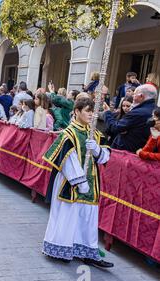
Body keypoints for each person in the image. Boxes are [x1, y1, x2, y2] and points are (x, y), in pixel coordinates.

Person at [42, 97, 113, 268]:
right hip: (71, 182)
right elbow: (67, 161)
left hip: (92, 183)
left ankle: (88, 253)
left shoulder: (96, 134)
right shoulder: (68, 134)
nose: (91, 114)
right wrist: (80, 181)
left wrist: (96, 149)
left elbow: (105, 158)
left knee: (87, 218)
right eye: (88, 111)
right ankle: (62, 249)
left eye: (93, 111)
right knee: (69, 215)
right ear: (76, 111)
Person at [104, 84, 158, 153]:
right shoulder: (156, 110)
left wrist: (107, 112)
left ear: (141, 96)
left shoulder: (138, 113)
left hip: (127, 153)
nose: (133, 96)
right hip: (142, 151)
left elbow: (115, 127)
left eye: (134, 94)